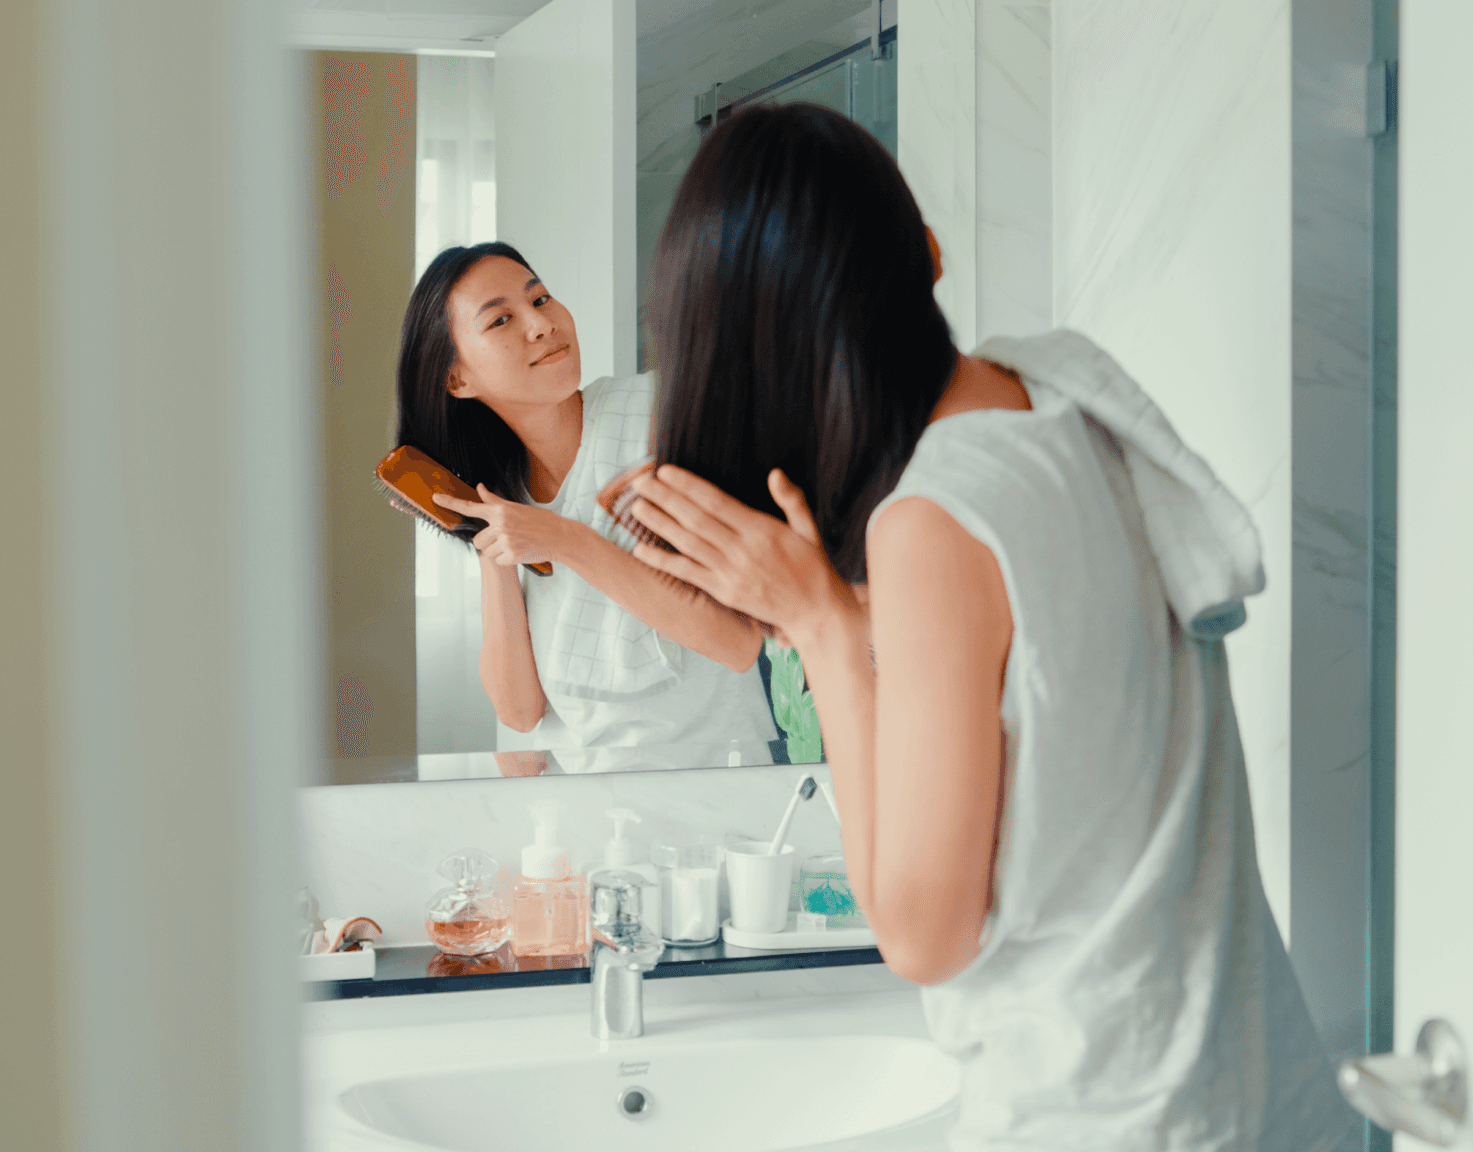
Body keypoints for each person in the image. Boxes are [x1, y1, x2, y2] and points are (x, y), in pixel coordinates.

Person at [591, 103, 1355, 1149]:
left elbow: (923, 935)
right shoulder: (1057, 397)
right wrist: (825, 601)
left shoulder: (932, 524)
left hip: (1102, 1113)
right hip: (1246, 1076)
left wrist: (821, 625)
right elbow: (1043, 649)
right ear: (928, 254)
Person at [393, 243, 779, 771]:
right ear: (457, 379)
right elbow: (520, 712)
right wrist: (486, 543)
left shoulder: (662, 417)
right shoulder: (504, 500)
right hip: (583, 803)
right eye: (501, 320)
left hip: (717, 785)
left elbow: (734, 643)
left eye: (541, 299)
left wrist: (564, 539)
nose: (541, 324)